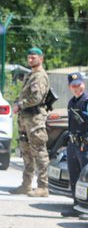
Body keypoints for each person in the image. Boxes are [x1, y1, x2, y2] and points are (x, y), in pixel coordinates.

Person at [61, 72, 88, 220]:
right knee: (75, 177)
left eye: (79, 85)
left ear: (83, 84)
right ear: (69, 87)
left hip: (87, 147)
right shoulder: (72, 102)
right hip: (73, 145)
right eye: (73, 86)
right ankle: (77, 206)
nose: (76, 88)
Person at [9, 47, 51, 197]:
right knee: (26, 153)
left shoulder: (39, 76)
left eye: (34, 57)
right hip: (25, 119)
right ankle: (26, 185)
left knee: (39, 152)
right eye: (29, 57)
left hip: (35, 120)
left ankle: (43, 186)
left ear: (41, 59)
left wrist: (20, 105)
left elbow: (37, 98)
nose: (30, 59)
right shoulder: (30, 75)